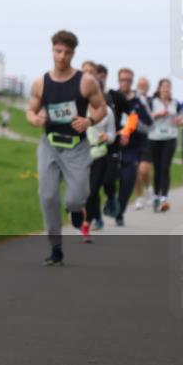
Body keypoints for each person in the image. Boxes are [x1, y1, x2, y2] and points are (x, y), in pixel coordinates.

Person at [26, 31, 106, 266]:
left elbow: (100, 108)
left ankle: (75, 209)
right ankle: (56, 248)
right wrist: (34, 119)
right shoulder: (41, 82)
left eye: (67, 52)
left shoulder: (85, 82)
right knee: (48, 196)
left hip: (76, 148)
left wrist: (89, 121)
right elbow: (30, 109)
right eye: (58, 51)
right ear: (52, 50)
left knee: (75, 199)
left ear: (73, 54)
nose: (62, 57)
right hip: (49, 144)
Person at [111, 68, 153, 226]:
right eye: (122, 80)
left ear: (132, 81)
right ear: (118, 80)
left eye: (128, 80)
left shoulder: (139, 100)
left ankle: (119, 212)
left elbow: (150, 125)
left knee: (128, 179)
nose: (125, 83)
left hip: (133, 147)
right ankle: (106, 206)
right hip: (112, 145)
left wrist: (133, 124)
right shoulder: (111, 97)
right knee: (108, 179)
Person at [81, 61, 116, 238]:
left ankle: (87, 223)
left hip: (99, 154)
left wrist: (107, 137)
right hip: (79, 154)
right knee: (81, 190)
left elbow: (112, 134)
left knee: (92, 190)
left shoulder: (108, 111)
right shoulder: (78, 105)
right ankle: (88, 216)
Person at [95, 64, 128, 220]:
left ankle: (112, 200)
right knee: (93, 186)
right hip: (93, 146)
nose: (99, 77)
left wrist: (126, 132)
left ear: (106, 76)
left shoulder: (115, 96)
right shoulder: (86, 96)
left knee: (109, 180)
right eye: (96, 74)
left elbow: (132, 115)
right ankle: (95, 218)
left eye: (102, 74)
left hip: (112, 144)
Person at [149, 78, 183, 212]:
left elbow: (181, 119)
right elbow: (146, 117)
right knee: (157, 169)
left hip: (170, 137)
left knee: (165, 167)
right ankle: (156, 196)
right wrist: (157, 114)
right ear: (159, 88)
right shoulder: (153, 102)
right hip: (154, 137)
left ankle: (164, 198)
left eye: (168, 87)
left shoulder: (176, 103)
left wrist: (179, 121)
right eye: (163, 86)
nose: (166, 89)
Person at [132, 77, 155, 210]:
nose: (142, 87)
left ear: (148, 87)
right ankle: (139, 197)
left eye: (145, 85)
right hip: (134, 139)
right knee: (135, 171)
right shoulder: (133, 101)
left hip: (147, 138)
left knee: (144, 170)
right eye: (140, 85)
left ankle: (149, 189)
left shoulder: (152, 102)